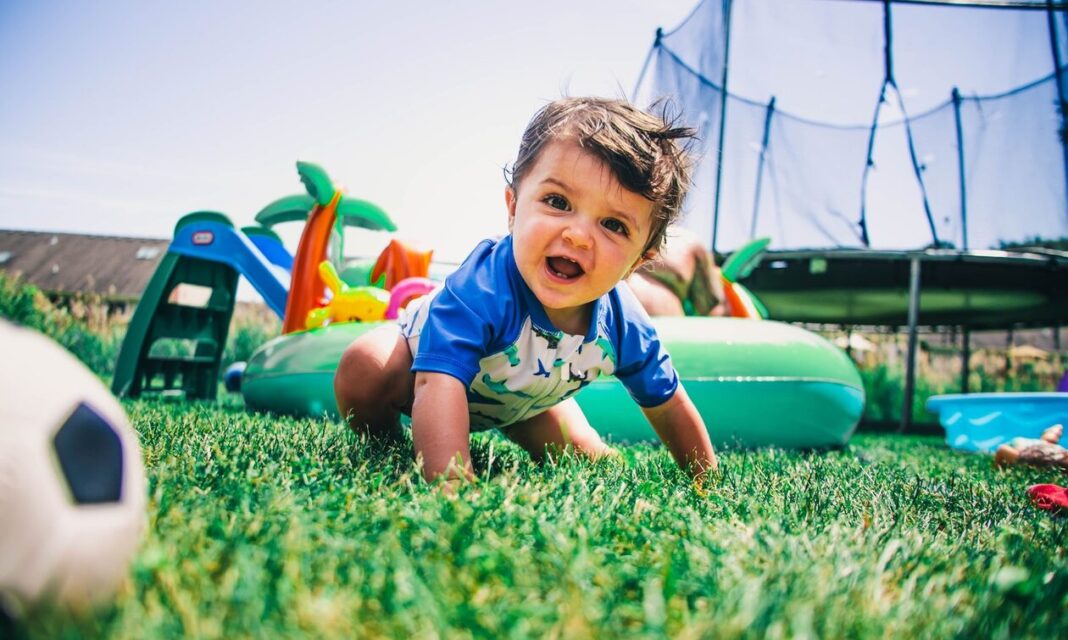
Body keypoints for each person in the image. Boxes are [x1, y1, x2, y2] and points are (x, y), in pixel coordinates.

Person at [334, 97, 718, 488]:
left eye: (613, 225)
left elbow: (669, 403)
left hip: (523, 399)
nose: (578, 235)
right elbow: (437, 382)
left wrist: (707, 482)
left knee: (586, 460)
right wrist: (452, 486)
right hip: (422, 369)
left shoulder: (623, 321)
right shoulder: (484, 287)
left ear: (638, 262)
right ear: (514, 208)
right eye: (558, 202)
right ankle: (386, 442)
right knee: (365, 367)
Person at [625, 228, 726, 317]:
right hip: (614, 327)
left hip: (668, 332)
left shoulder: (689, 242)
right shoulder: (620, 229)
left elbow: (714, 308)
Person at [994, 424, 1068, 470]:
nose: (1059, 432)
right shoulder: (1024, 440)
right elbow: (1002, 449)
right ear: (1044, 432)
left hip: (1048, 462)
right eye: (1053, 432)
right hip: (1024, 458)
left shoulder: (1058, 448)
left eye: (1059, 436)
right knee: (1003, 448)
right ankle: (997, 469)